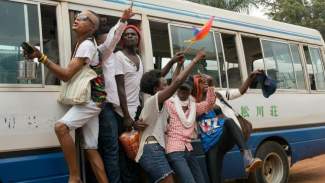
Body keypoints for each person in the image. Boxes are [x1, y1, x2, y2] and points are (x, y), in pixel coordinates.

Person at [24, 10, 109, 183]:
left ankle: (74, 176)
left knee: (61, 128)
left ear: (92, 27)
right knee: (91, 149)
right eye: (77, 15)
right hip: (95, 100)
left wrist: (41, 57)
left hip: (92, 100)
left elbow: (66, 75)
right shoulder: (82, 43)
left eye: (83, 18)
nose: (77, 19)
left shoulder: (86, 45)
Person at [135, 50, 206, 183]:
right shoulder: (154, 100)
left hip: (155, 150)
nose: (168, 87)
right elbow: (177, 83)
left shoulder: (164, 102)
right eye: (165, 85)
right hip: (152, 150)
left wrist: (178, 65)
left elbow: (175, 81)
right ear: (157, 90)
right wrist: (195, 60)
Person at [193, 71, 263, 183]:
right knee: (214, 179)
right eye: (201, 82)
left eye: (206, 81)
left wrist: (250, 78)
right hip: (210, 146)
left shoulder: (218, 95)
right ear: (195, 86)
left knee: (229, 121)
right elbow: (205, 107)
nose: (205, 83)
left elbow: (240, 91)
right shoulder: (194, 103)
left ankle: (247, 158)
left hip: (222, 136)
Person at [95, 9, 135, 183]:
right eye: (106, 42)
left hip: (119, 110)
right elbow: (112, 39)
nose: (112, 44)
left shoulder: (118, 58)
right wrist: (123, 20)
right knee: (112, 149)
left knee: (123, 148)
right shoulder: (101, 55)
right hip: (107, 108)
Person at [164, 76, 216, 183]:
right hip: (174, 150)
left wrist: (210, 85)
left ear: (190, 90)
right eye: (181, 88)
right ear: (177, 89)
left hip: (188, 149)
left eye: (186, 89)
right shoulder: (169, 103)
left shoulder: (194, 106)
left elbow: (210, 103)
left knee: (200, 180)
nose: (183, 91)